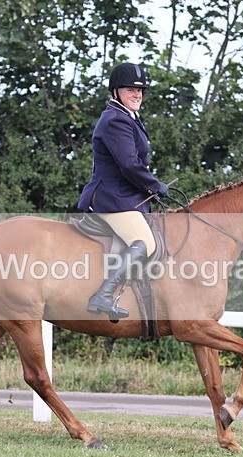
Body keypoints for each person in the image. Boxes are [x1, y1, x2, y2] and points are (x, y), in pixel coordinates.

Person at [77, 62, 169, 319]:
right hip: (112, 198)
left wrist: (150, 189)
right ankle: (103, 295)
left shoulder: (127, 117)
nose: (137, 94)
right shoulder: (116, 120)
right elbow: (129, 165)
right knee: (145, 243)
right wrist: (154, 185)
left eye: (140, 90)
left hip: (126, 197)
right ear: (116, 91)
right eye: (130, 89)